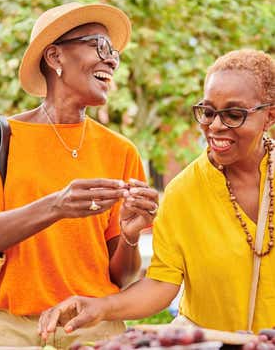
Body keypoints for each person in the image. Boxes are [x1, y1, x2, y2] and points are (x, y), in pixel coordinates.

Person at [0, 1, 158, 348]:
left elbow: (120, 279)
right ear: (55, 57)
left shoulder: (121, 150)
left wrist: (129, 236)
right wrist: (57, 206)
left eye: (115, 54)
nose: (112, 59)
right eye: (101, 45)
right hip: (7, 331)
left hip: (92, 329)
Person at [37, 48, 275, 337]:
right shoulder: (183, 192)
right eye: (208, 112)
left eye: (234, 114)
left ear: (269, 116)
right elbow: (162, 283)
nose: (215, 126)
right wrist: (100, 307)